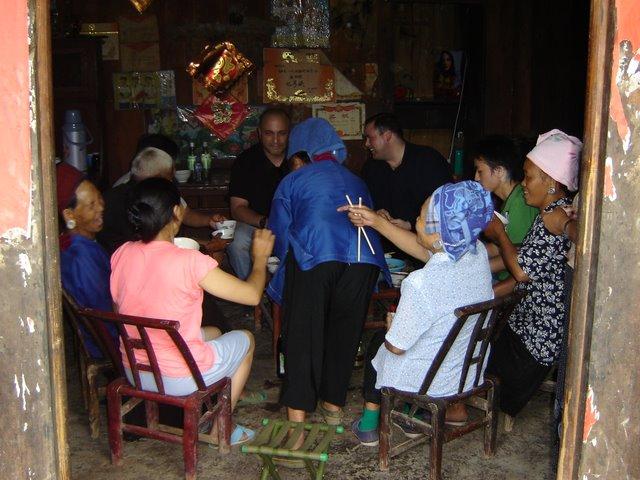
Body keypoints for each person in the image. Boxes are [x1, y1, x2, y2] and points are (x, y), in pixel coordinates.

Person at [110, 177, 275, 445]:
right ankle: (220, 427)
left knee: (214, 332)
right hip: (178, 378)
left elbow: (121, 308)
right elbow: (252, 295)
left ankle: (212, 403)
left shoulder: (121, 253)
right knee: (246, 340)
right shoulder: (189, 261)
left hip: (136, 372)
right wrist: (260, 258)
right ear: (177, 212)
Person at [266, 118, 389, 457]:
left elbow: (279, 234)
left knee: (302, 335)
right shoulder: (357, 179)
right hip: (363, 260)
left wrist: (281, 269)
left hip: (316, 255)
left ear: (300, 153)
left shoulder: (294, 179)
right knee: (345, 331)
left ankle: (297, 428)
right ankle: (333, 407)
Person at [343, 181, 494, 446]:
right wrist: (376, 221)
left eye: (422, 218)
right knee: (425, 334)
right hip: (465, 370)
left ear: (438, 234)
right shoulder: (475, 252)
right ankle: (411, 417)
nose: (415, 220)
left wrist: (391, 328)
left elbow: (396, 347)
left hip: (431, 380)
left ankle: (369, 424)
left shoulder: (420, 283)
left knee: (380, 343)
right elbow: (428, 250)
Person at [484, 129, 582, 420]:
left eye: (528, 177)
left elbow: (521, 272)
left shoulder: (555, 216)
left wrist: (499, 233)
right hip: (525, 323)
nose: (524, 184)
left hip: (538, 336)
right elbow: (525, 256)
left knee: (480, 379)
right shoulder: (551, 213)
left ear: (550, 181)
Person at [98, 145, 225, 255]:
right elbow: (151, 246)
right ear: (158, 177)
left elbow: (185, 213)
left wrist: (208, 220)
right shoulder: (138, 199)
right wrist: (208, 247)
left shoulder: (152, 192)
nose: (171, 181)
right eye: (170, 177)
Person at [56, 162, 118, 357]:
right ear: (69, 214)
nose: (101, 207)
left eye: (99, 198)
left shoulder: (71, 242)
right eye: (91, 205)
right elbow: (104, 314)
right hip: (108, 343)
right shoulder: (82, 258)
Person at [361, 113, 452, 233]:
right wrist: (377, 212)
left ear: (387, 136)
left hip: (424, 239)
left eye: (370, 138)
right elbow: (365, 202)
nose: (366, 144)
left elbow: (447, 206)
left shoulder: (428, 160)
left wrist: (411, 225)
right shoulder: (371, 167)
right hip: (383, 239)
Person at [227, 108, 290, 279]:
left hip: (294, 225)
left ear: (289, 133)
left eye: (282, 133)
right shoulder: (246, 162)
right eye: (269, 133)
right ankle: (252, 289)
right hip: (258, 226)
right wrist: (265, 222)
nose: (276, 140)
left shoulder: (298, 159)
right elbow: (237, 208)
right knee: (237, 241)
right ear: (260, 133)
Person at [472, 135, 538, 280]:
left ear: (499, 171)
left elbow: (519, 253)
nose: (476, 178)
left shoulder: (521, 203)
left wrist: (473, 270)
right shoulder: (509, 201)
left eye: (480, 171)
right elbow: (499, 246)